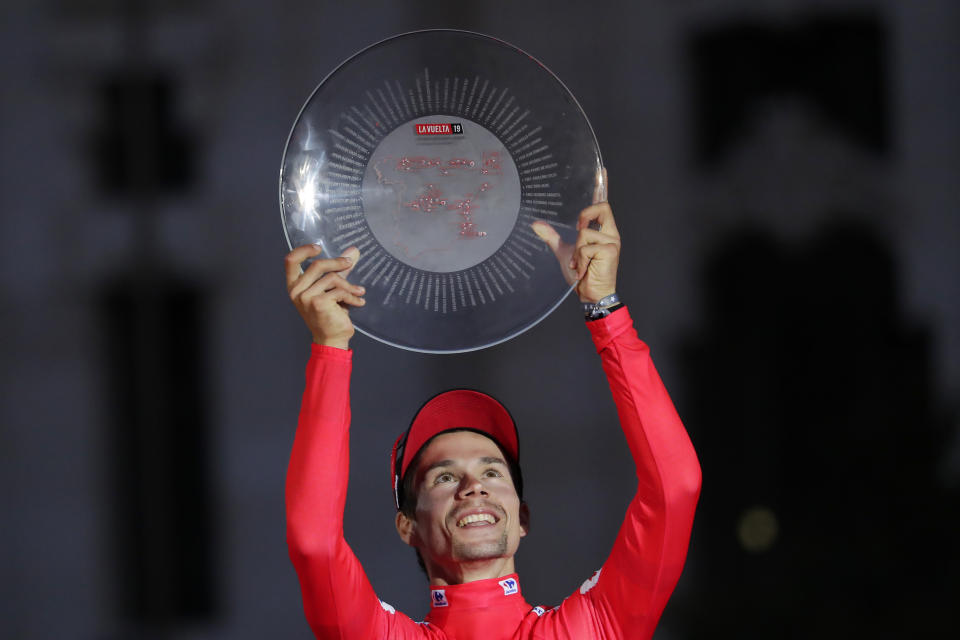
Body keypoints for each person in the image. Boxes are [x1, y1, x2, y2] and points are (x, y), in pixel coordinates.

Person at [283, 182, 702, 639]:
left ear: (522, 518)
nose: (473, 488)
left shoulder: (592, 627)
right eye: (443, 477)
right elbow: (314, 543)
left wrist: (604, 309)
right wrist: (330, 347)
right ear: (408, 527)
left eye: (493, 472)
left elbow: (674, 487)